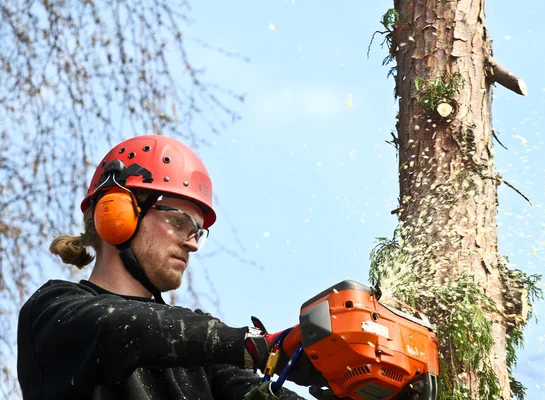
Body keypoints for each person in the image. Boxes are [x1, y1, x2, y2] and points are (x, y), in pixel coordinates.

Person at [17, 135, 329, 400]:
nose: (192, 243)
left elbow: (251, 392)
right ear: (118, 214)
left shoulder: (200, 355)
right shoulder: (54, 312)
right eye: (178, 222)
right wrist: (256, 345)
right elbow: (121, 328)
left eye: (196, 232)